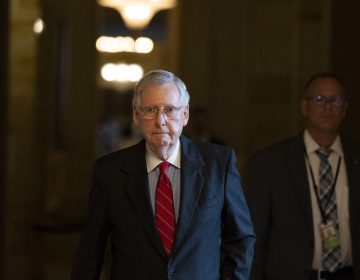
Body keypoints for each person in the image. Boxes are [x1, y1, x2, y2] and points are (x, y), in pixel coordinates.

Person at [71, 69, 255, 279]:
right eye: (150, 110)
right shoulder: (109, 172)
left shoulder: (218, 164)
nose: (160, 121)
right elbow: (89, 254)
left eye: (169, 109)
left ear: (185, 114)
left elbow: (241, 238)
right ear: (136, 115)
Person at [246, 72, 360, 280]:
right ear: (304, 107)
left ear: (345, 108)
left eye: (335, 100)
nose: (327, 106)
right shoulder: (271, 162)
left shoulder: (356, 157)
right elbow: (254, 237)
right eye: (319, 99)